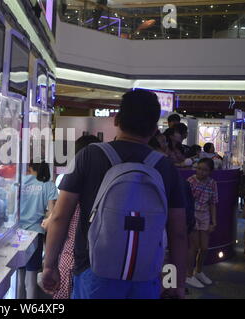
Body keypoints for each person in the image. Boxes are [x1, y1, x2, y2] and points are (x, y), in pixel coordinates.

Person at [42, 89, 187, 299]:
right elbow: (178, 232)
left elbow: (60, 216)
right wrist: (176, 283)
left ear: (117, 119)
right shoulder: (166, 167)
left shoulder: (88, 155)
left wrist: (50, 265)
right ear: (155, 129)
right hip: (146, 274)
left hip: (94, 269)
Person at [43, 134, 100, 300]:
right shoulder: (101, 188)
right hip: (97, 263)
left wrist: (49, 264)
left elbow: (58, 219)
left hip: (70, 259)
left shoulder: (72, 185)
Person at [17, 160, 57, 299]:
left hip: (17, 233)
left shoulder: (19, 181)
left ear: (30, 167)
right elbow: (53, 214)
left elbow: (11, 206)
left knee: (19, 276)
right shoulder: (48, 185)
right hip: (35, 234)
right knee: (31, 277)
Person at [186, 158, 218, 288]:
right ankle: (188, 275)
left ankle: (199, 271)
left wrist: (213, 222)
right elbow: (186, 202)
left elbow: (213, 203)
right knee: (193, 247)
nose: (201, 172)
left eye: (205, 170)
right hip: (192, 214)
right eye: (199, 168)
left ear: (210, 171)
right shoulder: (190, 181)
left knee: (204, 248)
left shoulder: (212, 183)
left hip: (205, 215)